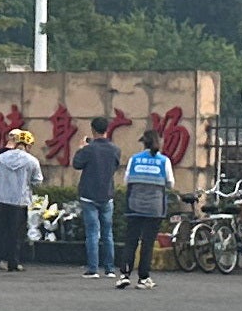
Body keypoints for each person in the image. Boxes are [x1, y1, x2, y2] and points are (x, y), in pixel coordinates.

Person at [120, 127, 175, 287]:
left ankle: (124, 274)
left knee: (131, 241)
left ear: (143, 143)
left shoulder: (134, 159)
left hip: (134, 205)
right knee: (147, 243)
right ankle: (143, 278)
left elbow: (126, 181)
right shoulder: (164, 161)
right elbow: (170, 183)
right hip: (155, 208)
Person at [73, 118, 121, 277]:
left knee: (93, 233)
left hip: (88, 195)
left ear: (93, 129)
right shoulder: (115, 149)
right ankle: (110, 269)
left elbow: (76, 164)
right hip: (107, 194)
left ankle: (93, 269)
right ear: (107, 129)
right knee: (108, 233)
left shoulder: (89, 149)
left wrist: (81, 149)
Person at [0, 126, 40, 272]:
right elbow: (38, 181)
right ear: (28, 145)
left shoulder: (2, 157)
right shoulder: (32, 161)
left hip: (1, 199)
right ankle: (13, 262)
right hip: (20, 200)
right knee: (16, 234)